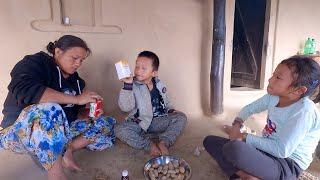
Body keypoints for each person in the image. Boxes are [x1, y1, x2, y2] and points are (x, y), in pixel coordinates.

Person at [0, 35, 116, 180]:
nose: (78, 63)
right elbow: (25, 89)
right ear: (58, 52)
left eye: (81, 60)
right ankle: (56, 175)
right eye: (74, 58)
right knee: (50, 110)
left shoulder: (77, 82)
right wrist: (77, 99)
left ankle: (68, 149)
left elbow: (72, 113)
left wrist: (86, 113)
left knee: (107, 122)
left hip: (59, 131)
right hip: (18, 130)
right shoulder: (35, 63)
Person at [203, 56, 320, 180]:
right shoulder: (273, 97)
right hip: (265, 152)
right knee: (210, 141)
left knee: (235, 149)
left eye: (278, 77)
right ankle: (246, 175)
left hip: (286, 164)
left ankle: (243, 173)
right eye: (273, 75)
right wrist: (236, 125)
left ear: (298, 90)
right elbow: (249, 109)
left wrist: (243, 136)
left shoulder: (304, 112)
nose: (270, 80)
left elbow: (281, 150)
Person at [115, 51, 187, 156]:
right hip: (139, 122)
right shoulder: (131, 85)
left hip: (158, 121)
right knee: (119, 129)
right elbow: (125, 108)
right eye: (137, 66)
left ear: (153, 73)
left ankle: (164, 142)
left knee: (181, 117)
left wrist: (171, 110)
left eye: (144, 68)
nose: (138, 70)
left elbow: (166, 102)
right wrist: (127, 85)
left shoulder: (159, 84)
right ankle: (149, 145)